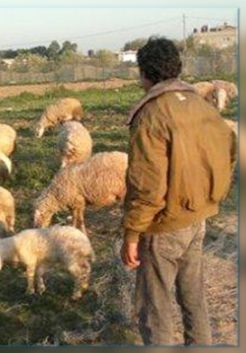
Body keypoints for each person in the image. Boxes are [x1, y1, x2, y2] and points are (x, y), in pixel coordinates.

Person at [120, 37, 236, 345]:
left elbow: (147, 187)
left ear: (145, 73)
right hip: (197, 218)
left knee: (154, 309)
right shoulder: (202, 104)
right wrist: (212, 194)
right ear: (176, 68)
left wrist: (132, 234)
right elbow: (229, 150)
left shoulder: (151, 115)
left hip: (164, 225)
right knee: (193, 298)